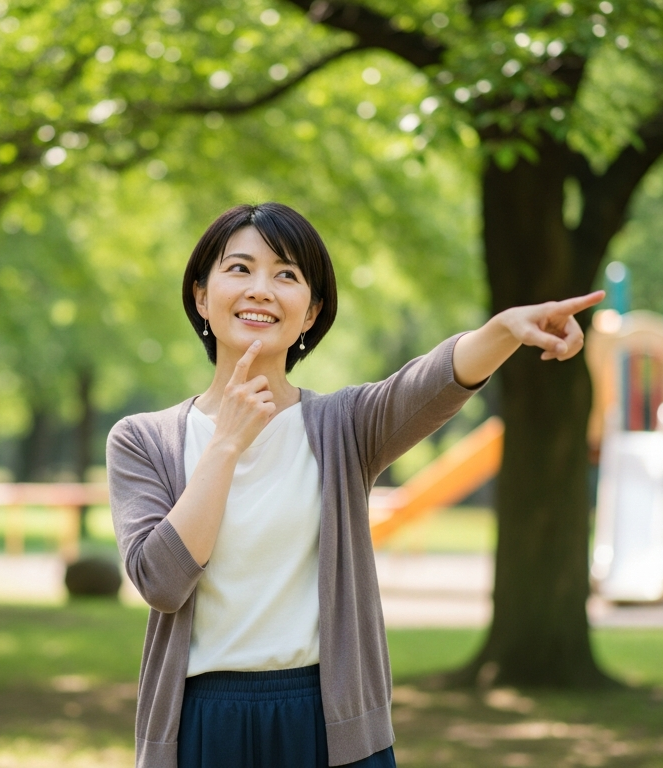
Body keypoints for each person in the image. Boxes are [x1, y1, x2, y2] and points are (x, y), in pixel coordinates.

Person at [107, 202, 603, 768]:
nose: (261, 289)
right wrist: (226, 445)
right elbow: (161, 583)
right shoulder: (143, 441)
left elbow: (431, 382)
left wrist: (504, 330)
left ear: (312, 311)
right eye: (239, 269)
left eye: (286, 274)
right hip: (200, 724)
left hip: (327, 722)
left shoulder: (344, 427)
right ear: (201, 295)